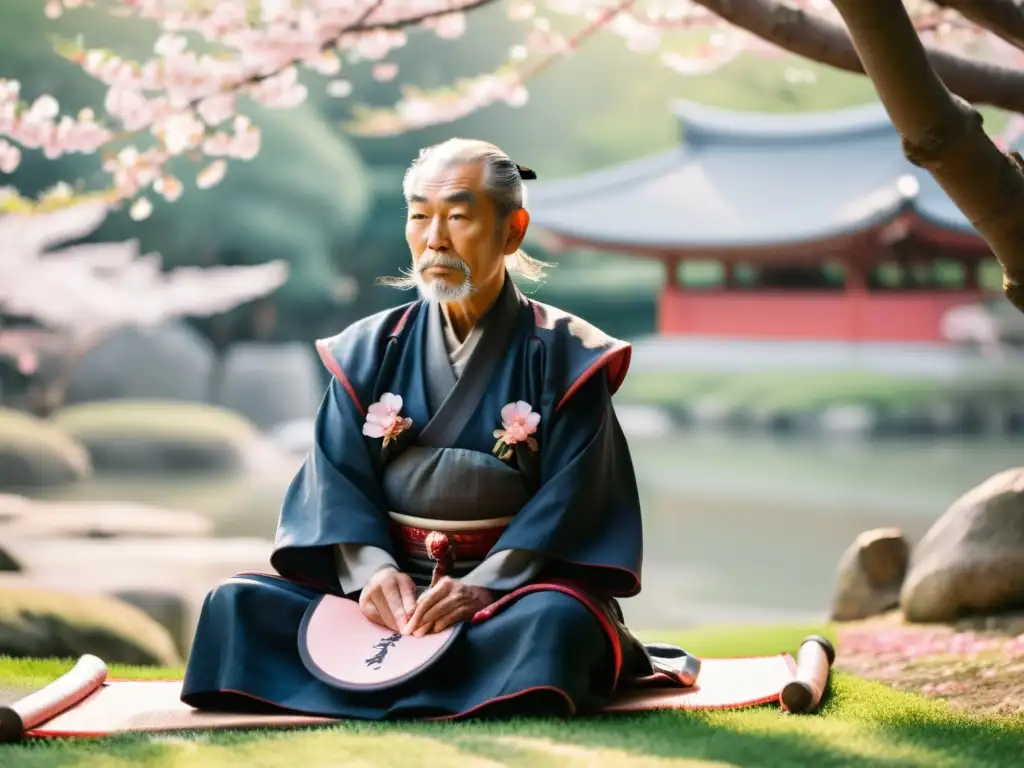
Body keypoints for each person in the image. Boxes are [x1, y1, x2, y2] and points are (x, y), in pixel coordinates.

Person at [181, 138, 679, 720]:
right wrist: (372, 573)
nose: (435, 239)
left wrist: (486, 586)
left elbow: (573, 503)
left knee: (557, 624)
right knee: (233, 605)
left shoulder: (567, 357)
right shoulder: (366, 350)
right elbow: (335, 482)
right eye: (420, 216)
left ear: (513, 230)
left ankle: (368, 681)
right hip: (387, 601)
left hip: (509, 600)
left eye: (459, 217)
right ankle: (457, 679)